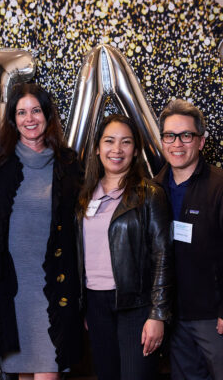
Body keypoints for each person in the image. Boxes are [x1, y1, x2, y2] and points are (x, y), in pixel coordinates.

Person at [0, 83, 82, 379]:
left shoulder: (68, 163)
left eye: (36, 110)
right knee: (23, 372)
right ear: (13, 118)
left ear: (47, 114)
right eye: (21, 112)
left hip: (53, 288)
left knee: (49, 369)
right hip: (13, 290)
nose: (29, 118)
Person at [154, 99, 223, 380]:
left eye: (186, 135)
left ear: (200, 141)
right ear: (162, 140)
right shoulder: (154, 187)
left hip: (217, 318)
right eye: (169, 136)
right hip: (175, 318)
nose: (177, 143)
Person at [76, 114, 172, 380]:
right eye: (109, 141)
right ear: (97, 148)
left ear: (135, 150)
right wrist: (85, 307)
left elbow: (163, 257)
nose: (116, 150)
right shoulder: (85, 196)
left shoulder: (150, 195)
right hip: (96, 305)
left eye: (125, 142)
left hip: (136, 307)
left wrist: (157, 315)